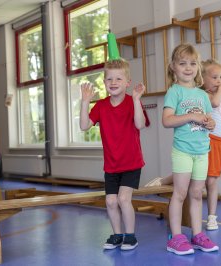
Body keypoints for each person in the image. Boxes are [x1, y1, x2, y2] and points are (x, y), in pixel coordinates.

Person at [147, 59, 221, 231]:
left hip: (219, 142)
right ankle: (210, 216)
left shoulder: (210, 94)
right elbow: (216, 103)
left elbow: (219, 113)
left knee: (208, 178)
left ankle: (208, 217)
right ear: (203, 78)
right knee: (206, 180)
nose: (219, 81)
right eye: (215, 77)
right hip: (208, 141)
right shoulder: (207, 94)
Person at [80, 58, 147, 251]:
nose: (114, 82)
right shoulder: (101, 106)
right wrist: (85, 102)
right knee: (110, 201)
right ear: (104, 82)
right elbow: (84, 126)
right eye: (109, 79)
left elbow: (140, 124)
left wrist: (136, 100)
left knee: (123, 199)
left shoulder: (131, 102)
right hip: (111, 165)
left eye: (118, 78)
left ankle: (131, 236)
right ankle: (117, 235)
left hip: (131, 162)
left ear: (127, 82)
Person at [162, 43, 219, 255]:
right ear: (173, 67)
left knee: (196, 194)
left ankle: (197, 234)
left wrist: (210, 123)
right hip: (183, 151)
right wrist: (192, 116)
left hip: (202, 151)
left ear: (198, 67)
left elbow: (207, 119)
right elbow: (167, 121)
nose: (188, 68)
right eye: (182, 63)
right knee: (180, 193)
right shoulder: (174, 92)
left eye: (193, 63)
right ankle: (176, 237)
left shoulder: (203, 95)